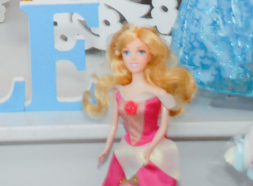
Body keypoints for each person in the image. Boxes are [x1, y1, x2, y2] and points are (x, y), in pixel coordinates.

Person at [84, 25, 196, 186]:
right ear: (121, 56)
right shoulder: (119, 92)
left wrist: (150, 148)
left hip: (152, 148)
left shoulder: (159, 93)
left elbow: (163, 127)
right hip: (127, 147)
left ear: (150, 55)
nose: (133, 58)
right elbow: (114, 125)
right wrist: (107, 148)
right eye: (127, 52)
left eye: (140, 52)